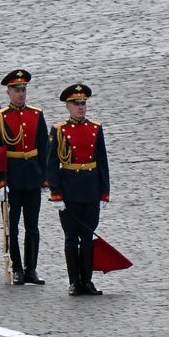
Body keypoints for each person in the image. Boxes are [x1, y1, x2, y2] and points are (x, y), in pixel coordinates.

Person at [46, 83, 110, 295]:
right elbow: (52, 163)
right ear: (68, 106)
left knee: (88, 237)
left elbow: (102, 161)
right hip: (70, 190)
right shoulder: (59, 130)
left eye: (83, 103)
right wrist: (56, 193)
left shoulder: (95, 128)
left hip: (90, 189)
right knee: (72, 238)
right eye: (76, 104)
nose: (81, 107)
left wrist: (104, 192)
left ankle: (88, 280)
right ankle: (74, 281)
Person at [0, 69, 49, 284]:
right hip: (11, 178)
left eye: (23, 90)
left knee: (32, 225)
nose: (21, 94)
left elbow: (44, 148)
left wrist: (45, 177)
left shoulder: (36, 114)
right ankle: (17, 268)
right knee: (12, 226)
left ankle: (31, 268)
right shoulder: (0, 117)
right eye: (17, 90)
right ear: (8, 92)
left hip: (32, 177)